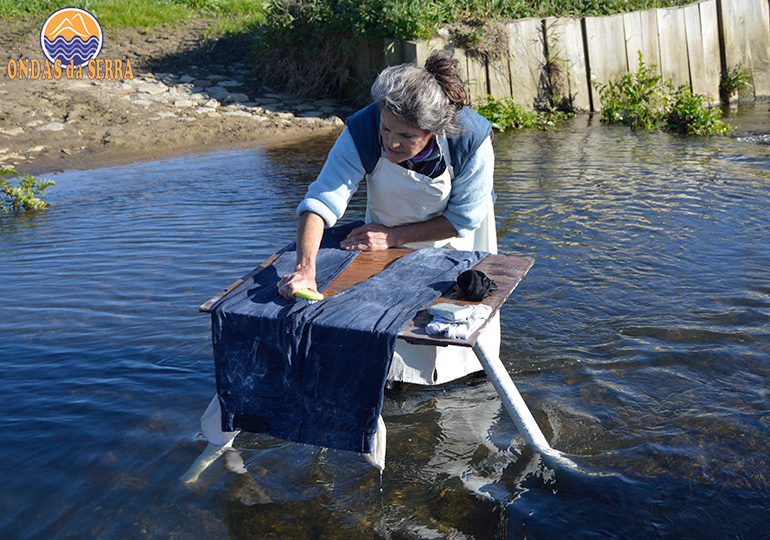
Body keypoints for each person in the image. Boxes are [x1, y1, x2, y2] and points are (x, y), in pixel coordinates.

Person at [278, 50, 499, 385]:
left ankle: (466, 380)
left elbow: (462, 219)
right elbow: (320, 201)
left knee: (456, 329)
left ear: (433, 132)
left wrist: (393, 236)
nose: (391, 143)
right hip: (386, 226)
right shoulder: (363, 130)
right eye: (387, 129)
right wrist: (305, 269)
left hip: (457, 233)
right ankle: (394, 383)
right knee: (387, 331)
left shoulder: (471, 139)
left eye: (407, 137)